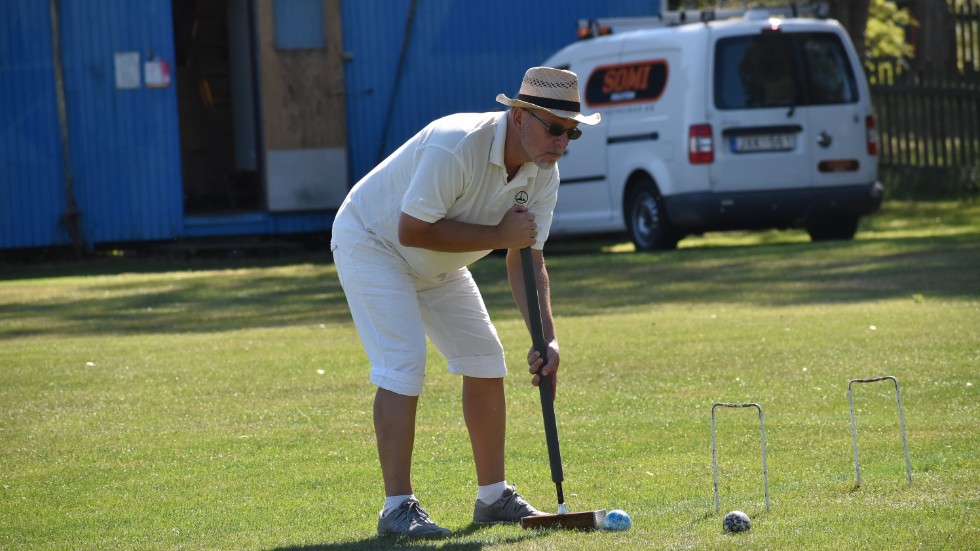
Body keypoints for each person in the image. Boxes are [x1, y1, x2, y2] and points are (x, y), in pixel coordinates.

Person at [330, 67, 600, 537]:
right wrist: (499, 235)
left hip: (439, 262)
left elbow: (527, 259)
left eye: (571, 132)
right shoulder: (456, 143)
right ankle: (397, 509)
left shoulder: (543, 174)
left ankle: (493, 497)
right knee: (403, 365)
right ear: (518, 117)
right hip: (372, 243)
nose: (562, 141)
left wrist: (547, 339)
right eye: (554, 127)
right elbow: (411, 230)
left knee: (484, 358)